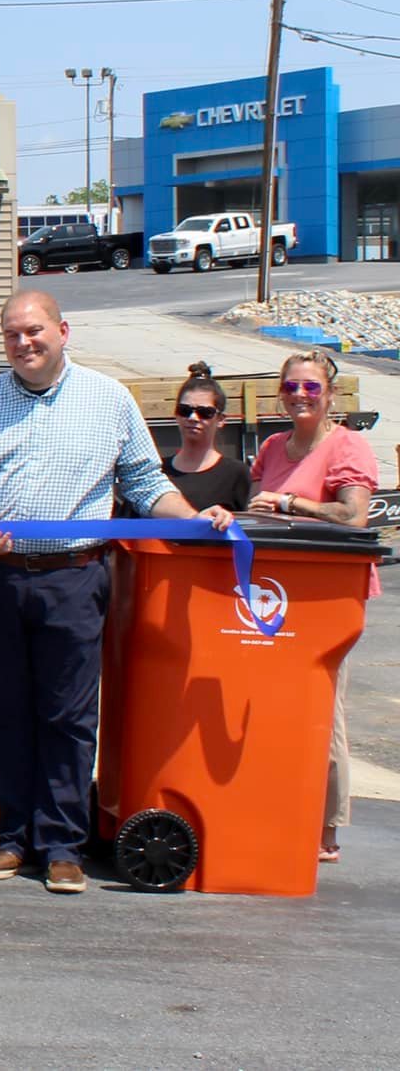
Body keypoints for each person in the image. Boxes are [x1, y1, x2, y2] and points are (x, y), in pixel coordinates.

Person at [0, 291, 232, 895]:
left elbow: (144, 480)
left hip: (75, 578)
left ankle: (63, 846)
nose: (24, 343)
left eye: (34, 331)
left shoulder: (109, 399)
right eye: (12, 334)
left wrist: (190, 518)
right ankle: (13, 838)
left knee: (68, 715)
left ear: (62, 331)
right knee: (0, 712)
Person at [247, 349, 375, 864]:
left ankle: (325, 824)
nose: (300, 395)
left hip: (326, 601)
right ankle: (277, 805)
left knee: (323, 709)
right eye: (292, 386)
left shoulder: (347, 447)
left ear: (331, 395)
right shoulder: (274, 448)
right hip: (272, 597)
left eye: (311, 387)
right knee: (271, 708)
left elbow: (353, 517)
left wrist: (291, 504)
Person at [163, 361, 252, 513]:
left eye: (204, 413)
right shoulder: (158, 473)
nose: (193, 417)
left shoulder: (237, 474)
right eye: (184, 410)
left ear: (221, 420)